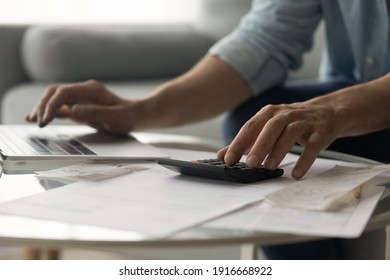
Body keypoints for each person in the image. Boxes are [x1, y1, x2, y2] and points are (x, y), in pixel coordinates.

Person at [26, 0, 390, 259]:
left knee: (272, 133)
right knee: (253, 123)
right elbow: (264, 40)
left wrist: (335, 109)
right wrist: (138, 112)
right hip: (355, 85)